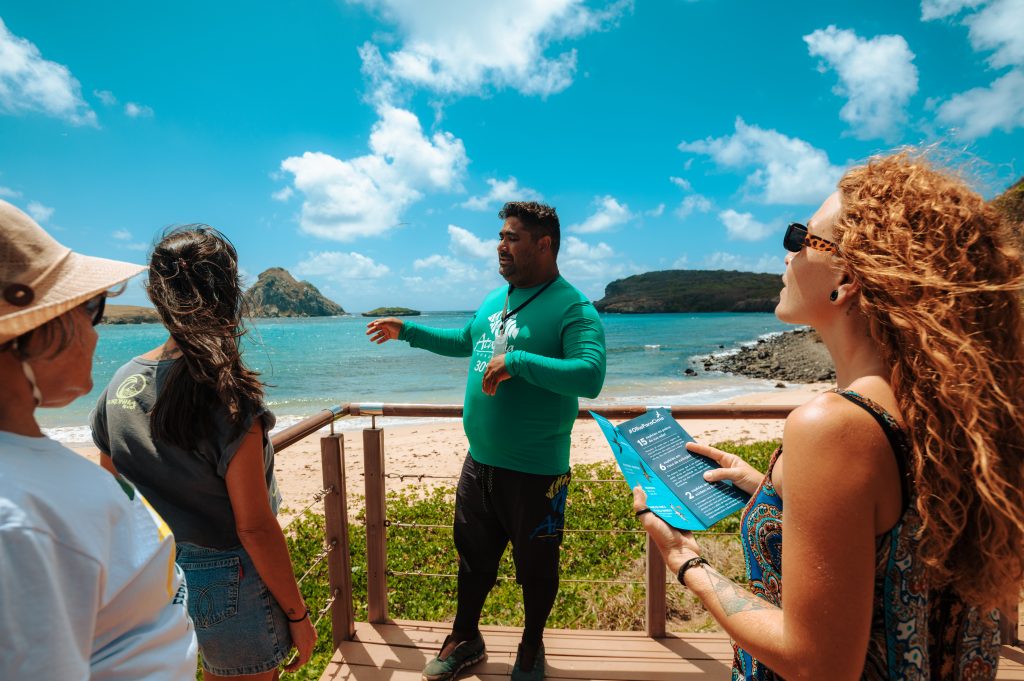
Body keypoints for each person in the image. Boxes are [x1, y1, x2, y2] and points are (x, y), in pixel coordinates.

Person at [635, 152, 1024, 680]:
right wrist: (769, 489)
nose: (787, 257)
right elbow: (892, 529)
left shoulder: (835, 425)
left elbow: (818, 663)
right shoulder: (946, 413)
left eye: (801, 238)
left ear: (849, 278)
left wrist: (688, 562)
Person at [367, 201, 607, 681]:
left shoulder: (573, 308)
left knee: (536, 569)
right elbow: (465, 341)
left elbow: (590, 375)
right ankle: (465, 637)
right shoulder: (493, 300)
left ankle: (531, 647)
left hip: (538, 472)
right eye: (500, 236)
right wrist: (406, 330)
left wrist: (517, 362)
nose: (501, 246)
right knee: (472, 561)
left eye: (512, 237)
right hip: (480, 464)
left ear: (545, 244)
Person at [90, 226, 317, 680]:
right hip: (228, 576)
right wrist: (297, 615)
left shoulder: (118, 385)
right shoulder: (230, 398)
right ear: (231, 294)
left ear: (159, 296)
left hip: (151, 573)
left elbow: (115, 499)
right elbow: (253, 525)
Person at [0, 200, 198, 678]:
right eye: (90, 307)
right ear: (27, 332)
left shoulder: (25, 485)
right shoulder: (18, 526)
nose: (94, 329)